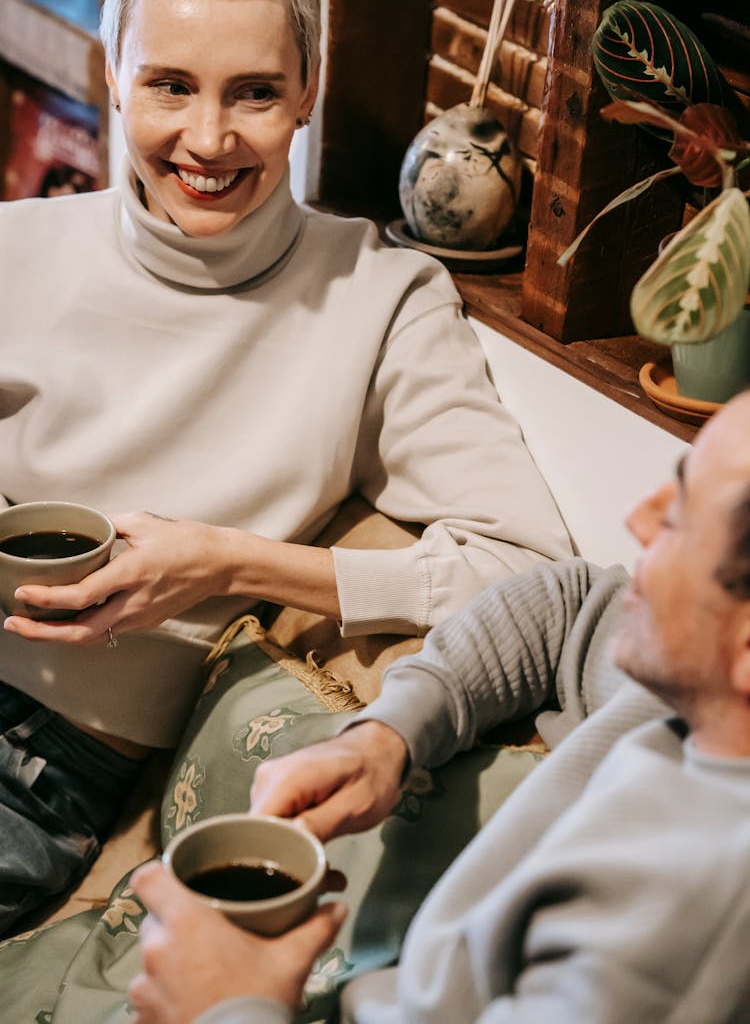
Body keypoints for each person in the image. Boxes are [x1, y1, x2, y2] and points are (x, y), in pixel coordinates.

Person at [0, 0, 572, 934]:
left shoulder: (379, 301)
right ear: (113, 71)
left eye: (255, 92)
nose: (208, 140)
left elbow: (528, 571)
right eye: (170, 84)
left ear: (308, 89)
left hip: (45, 776)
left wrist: (227, 565)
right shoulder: (15, 251)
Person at [127, 390, 750, 1024]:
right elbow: (569, 604)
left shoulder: (687, 925)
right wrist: (383, 737)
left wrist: (224, 1009)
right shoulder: (683, 695)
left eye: (683, 516)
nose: (638, 520)